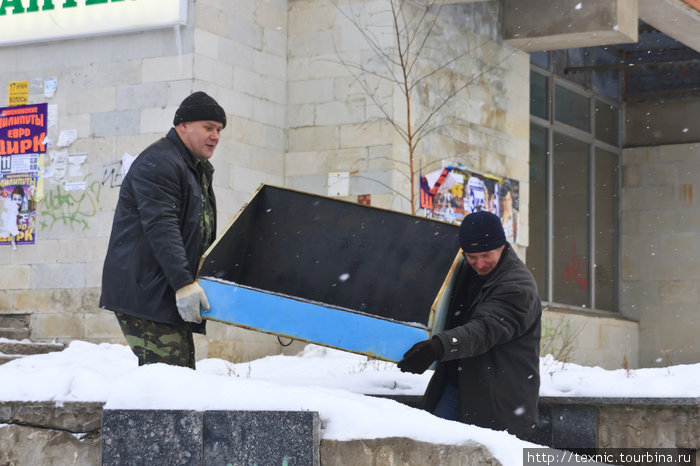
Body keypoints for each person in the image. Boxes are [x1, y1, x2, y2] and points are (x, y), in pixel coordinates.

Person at [99, 91, 226, 369]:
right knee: (168, 384)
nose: (215, 136)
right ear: (183, 126)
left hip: (162, 291)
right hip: (146, 291)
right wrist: (183, 282)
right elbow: (162, 225)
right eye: (208, 127)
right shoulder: (160, 163)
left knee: (176, 378)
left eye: (218, 130)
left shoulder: (194, 168)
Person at [397, 211, 541, 440]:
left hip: (498, 400)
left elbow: (484, 330)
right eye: (472, 257)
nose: (480, 264)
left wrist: (438, 347)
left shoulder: (517, 286)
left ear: (502, 246)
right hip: (458, 385)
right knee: (430, 448)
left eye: (486, 255)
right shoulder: (464, 268)